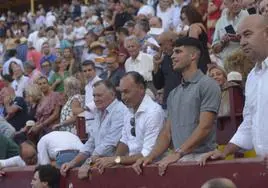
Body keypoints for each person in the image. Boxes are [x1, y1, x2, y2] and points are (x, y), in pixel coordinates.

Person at [132, 37, 221, 176]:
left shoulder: (208, 85)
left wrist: (178, 153)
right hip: (181, 159)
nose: (172, 56)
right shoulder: (174, 93)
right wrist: (150, 156)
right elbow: (167, 133)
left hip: (203, 159)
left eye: (178, 52)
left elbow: (205, 127)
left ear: (193, 55)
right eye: (173, 52)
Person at [200, 15, 268, 164]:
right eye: (240, 37)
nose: (242, 42)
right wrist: (224, 152)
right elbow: (249, 124)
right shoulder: (252, 77)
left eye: (247, 34)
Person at [94, 72, 165, 174]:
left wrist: (116, 160)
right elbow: (124, 141)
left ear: (141, 88)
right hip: (134, 168)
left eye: (126, 92)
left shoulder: (153, 112)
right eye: (121, 92)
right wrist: (113, 160)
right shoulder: (129, 110)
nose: (123, 97)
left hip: (151, 170)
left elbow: (147, 154)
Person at [60, 80, 127, 179]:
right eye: (94, 96)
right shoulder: (99, 112)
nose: (95, 99)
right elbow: (91, 143)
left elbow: (109, 144)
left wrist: (88, 163)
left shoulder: (120, 111)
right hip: (101, 165)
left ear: (112, 94)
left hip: (117, 168)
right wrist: (72, 163)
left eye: (99, 95)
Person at [0, 131, 84, 168]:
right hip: (82, 153)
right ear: (22, 158)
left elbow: (45, 169)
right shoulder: (18, 160)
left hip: (74, 154)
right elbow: (2, 163)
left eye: (34, 156)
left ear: (37, 151)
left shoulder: (42, 146)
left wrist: (52, 164)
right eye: (28, 159)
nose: (32, 159)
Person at [152, 31, 181, 109]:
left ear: (171, 41)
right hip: (168, 103)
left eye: (161, 44)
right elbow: (158, 85)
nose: (160, 48)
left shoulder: (184, 58)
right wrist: (156, 65)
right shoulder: (165, 59)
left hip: (182, 102)